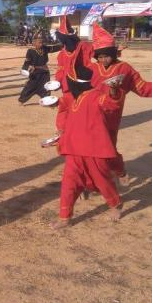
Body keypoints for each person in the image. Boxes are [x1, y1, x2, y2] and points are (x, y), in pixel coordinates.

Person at [88, 22, 152, 183]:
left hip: (112, 116)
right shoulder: (91, 69)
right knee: (88, 149)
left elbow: (143, 88)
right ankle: (89, 182)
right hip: (91, 115)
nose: (103, 60)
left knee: (108, 148)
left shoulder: (125, 69)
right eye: (100, 57)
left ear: (114, 53)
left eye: (107, 56)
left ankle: (119, 171)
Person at [52, 64, 123, 229]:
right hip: (73, 150)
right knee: (68, 183)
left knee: (102, 181)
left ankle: (116, 204)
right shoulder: (74, 97)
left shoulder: (96, 96)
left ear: (75, 83)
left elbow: (111, 103)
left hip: (93, 150)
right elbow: (64, 108)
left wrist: (113, 90)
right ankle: (64, 218)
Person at [18, 32, 61, 105]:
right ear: (34, 42)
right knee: (29, 87)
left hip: (44, 71)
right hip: (35, 73)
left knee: (46, 87)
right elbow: (27, 62)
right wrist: (25, 69)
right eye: (39, 42)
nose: (41, 44)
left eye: (42, 42)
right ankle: (22, 100)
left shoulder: (44, 48)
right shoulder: (30, 51)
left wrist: (63, 45)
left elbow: (53, 48)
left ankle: (47, 102)